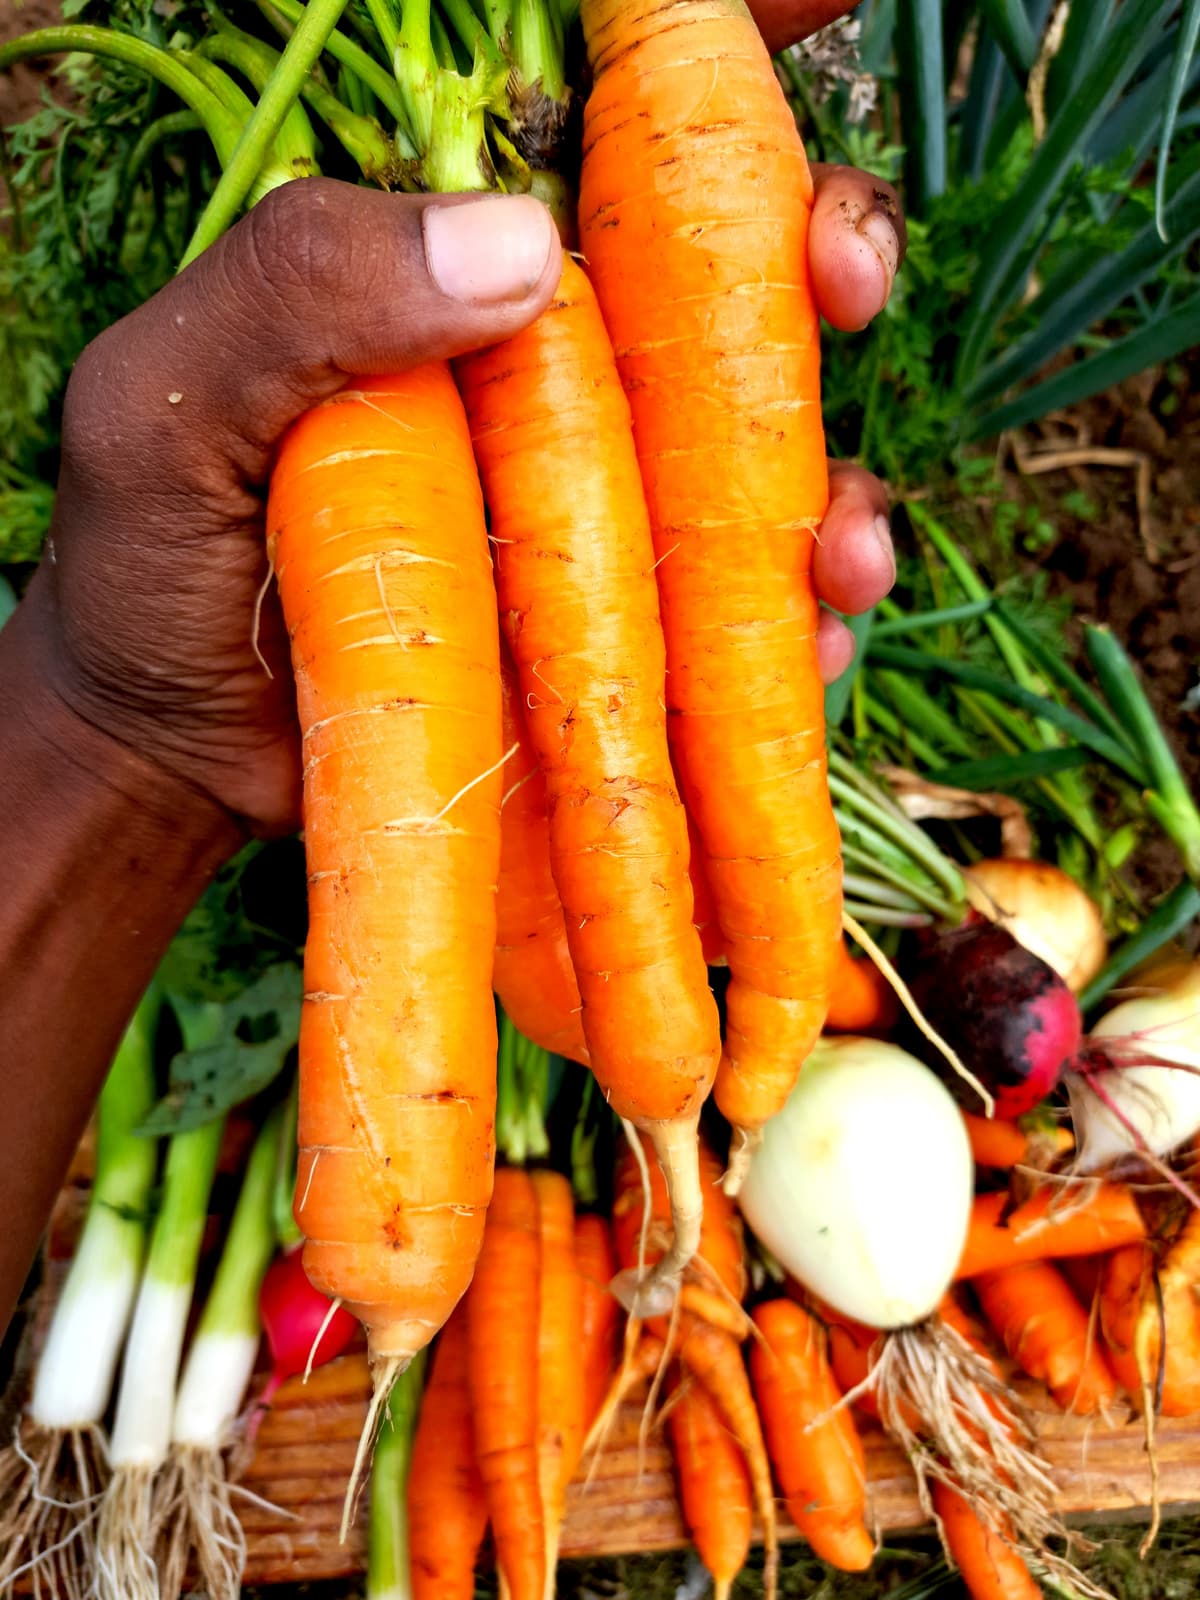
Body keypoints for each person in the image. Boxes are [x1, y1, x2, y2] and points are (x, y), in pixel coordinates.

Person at [0, 0, 905, 1334]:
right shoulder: (362, 369)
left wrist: (121, 746)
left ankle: (717, 1033)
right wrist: (126, 726)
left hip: (562, 248)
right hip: (424, 350)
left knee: (724, 571)